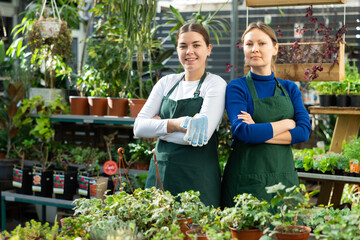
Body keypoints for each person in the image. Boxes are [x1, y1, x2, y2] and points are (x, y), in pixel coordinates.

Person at [133, 22, 227, 207]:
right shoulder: (166, 83)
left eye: (196, 45)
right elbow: (139, 127)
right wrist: (178, 124)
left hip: (198, 179)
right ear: (177, 49)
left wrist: (158, 127)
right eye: (183, 46)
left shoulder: (215, 84)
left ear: (208, 49)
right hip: (160, 175)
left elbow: (201, 136)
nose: (189, 51)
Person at [221, 21, 311, 207]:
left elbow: (303, 132)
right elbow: (242, 132)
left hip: (283, 178)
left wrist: (257, 131)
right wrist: (285, 124)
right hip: (245, 180)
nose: (255, 49)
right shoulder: (237, 88)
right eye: (249, 44)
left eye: (262, 43)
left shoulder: (290, 88)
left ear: (275, 48)